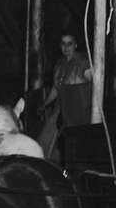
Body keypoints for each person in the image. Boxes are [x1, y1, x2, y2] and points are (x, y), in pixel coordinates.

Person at [39, 32, 93, 161]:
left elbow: (95, 85)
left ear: (75, 45)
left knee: (77, 144)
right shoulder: (59, 64)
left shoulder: (84, 63)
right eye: (63, 44)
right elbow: (56, 88)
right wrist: (44, 104)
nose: (66, 47)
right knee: (48, 140)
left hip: (80, 111)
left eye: (69, 44)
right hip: (62, 109)